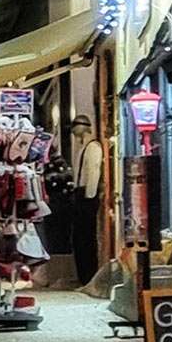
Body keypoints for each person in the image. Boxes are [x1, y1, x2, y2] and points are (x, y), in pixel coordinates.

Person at [70, 114, 103, 285]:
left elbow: (94, 172)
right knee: (79, 239)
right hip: (80, 194)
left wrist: (89, 197)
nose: (74, 132)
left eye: (75, 127)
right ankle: (83, 276)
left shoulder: (93, 147)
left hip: (86, 196)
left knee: (86, 238)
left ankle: (88, 276)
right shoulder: (82, 148)